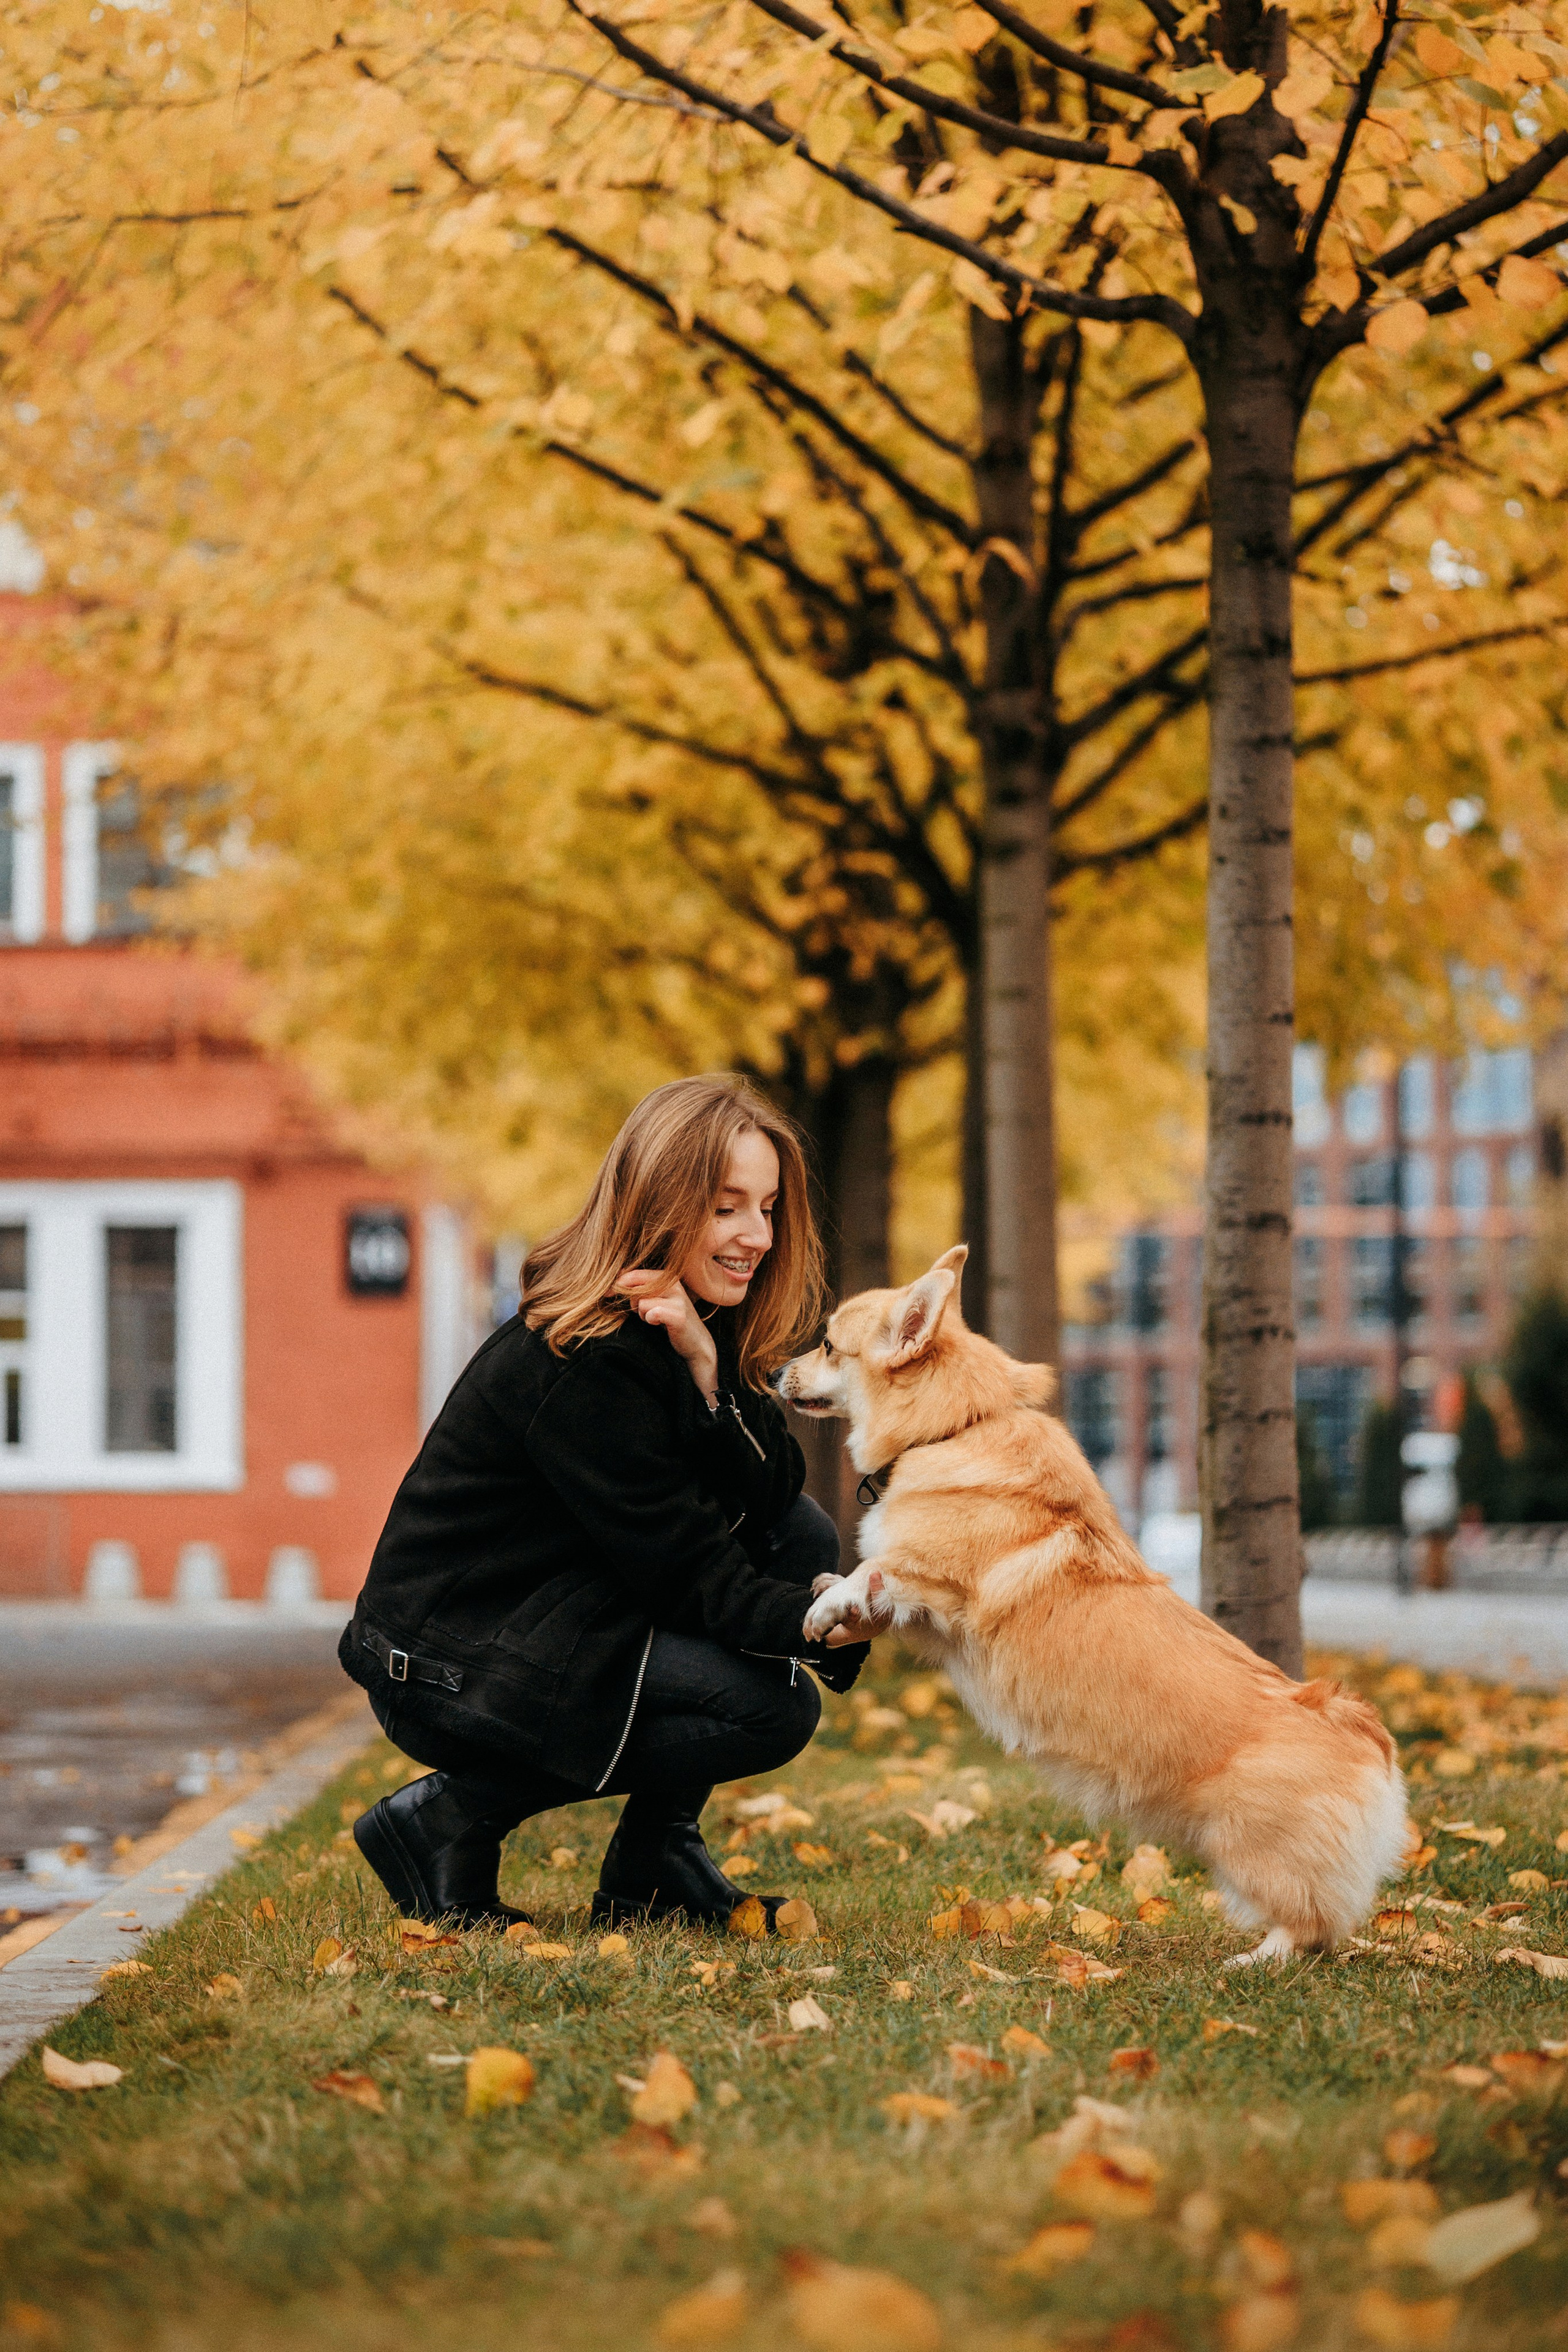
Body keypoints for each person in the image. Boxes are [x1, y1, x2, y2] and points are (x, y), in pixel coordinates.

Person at [340, 1073, 875, 1933]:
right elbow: (691, 1577)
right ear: (661, 1203)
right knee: (771, 1710)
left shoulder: (686, 1321)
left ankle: (654, 1864)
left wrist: (710, 1375)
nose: (757, 1236)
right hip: (450, 1659)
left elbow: (774, 1498)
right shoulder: (588, 1358)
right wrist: (821, 1627)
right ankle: (447, 1819)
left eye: (768, 1208)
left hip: (563, 1611)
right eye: (727, 1207)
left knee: (797, 1532)